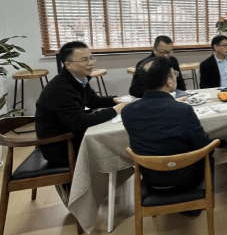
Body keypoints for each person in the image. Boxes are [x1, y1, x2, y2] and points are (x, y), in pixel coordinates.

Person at [122, 57, 211, 196]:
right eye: (174, 74)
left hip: (151, 179)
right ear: (169, 81)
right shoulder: (183, 110)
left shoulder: (127, 111)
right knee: (209, 153)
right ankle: (201, 197)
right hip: (186, 179)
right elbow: (204, 145)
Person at [36, 41, 129, 166]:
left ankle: (116, 174)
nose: (90, 63)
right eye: (84, 60)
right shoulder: (60, 88)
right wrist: (114, 110)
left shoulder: (79, 79)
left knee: (115, 138)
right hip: (61, 146)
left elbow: (93, 101)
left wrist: (115, 100)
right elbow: (79, 122)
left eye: (91, 58)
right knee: (116, 143)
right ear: (69, 64)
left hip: (72, 135)